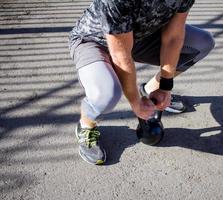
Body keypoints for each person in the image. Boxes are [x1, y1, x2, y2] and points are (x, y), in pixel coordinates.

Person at [69, 0, 215, 165]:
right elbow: (121, 57)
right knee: (106, 94)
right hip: (94, 42)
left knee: (202, 43)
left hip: (139, 38)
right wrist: (135, 103)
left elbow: (173, 37)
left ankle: (150, 89)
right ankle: (86, 125)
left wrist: (165, 86)